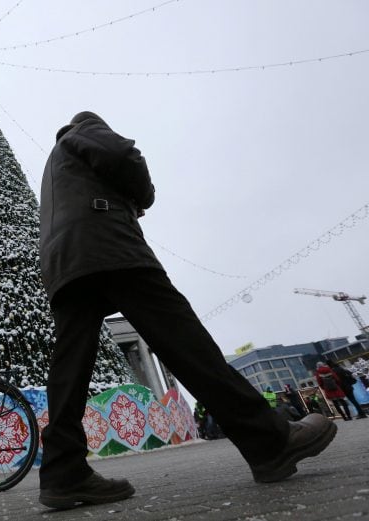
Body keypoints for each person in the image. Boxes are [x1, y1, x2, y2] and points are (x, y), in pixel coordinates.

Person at [37, 110, 338, 510]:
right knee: (185, 341)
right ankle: (270, 441)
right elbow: (123, 155)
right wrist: (141, 196)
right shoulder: (84, 129)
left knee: (69, 368)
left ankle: (63, 472)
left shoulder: (53, 163)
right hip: (107, 243)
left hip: (62, 260)